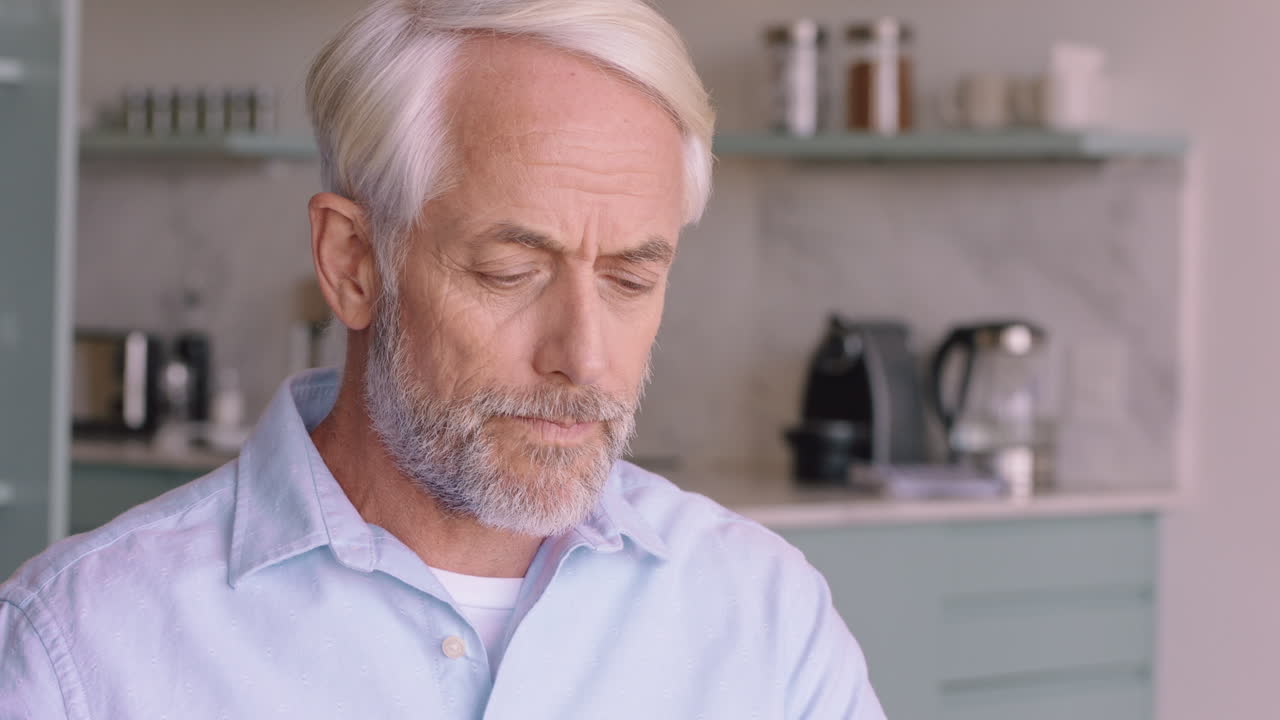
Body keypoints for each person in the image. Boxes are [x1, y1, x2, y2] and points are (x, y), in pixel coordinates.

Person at [0, 1, 885, 717]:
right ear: (352, 264)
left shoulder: (765, 619)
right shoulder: (83, 651)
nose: (583, 357)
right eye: (510, 272)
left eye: (628, 279)